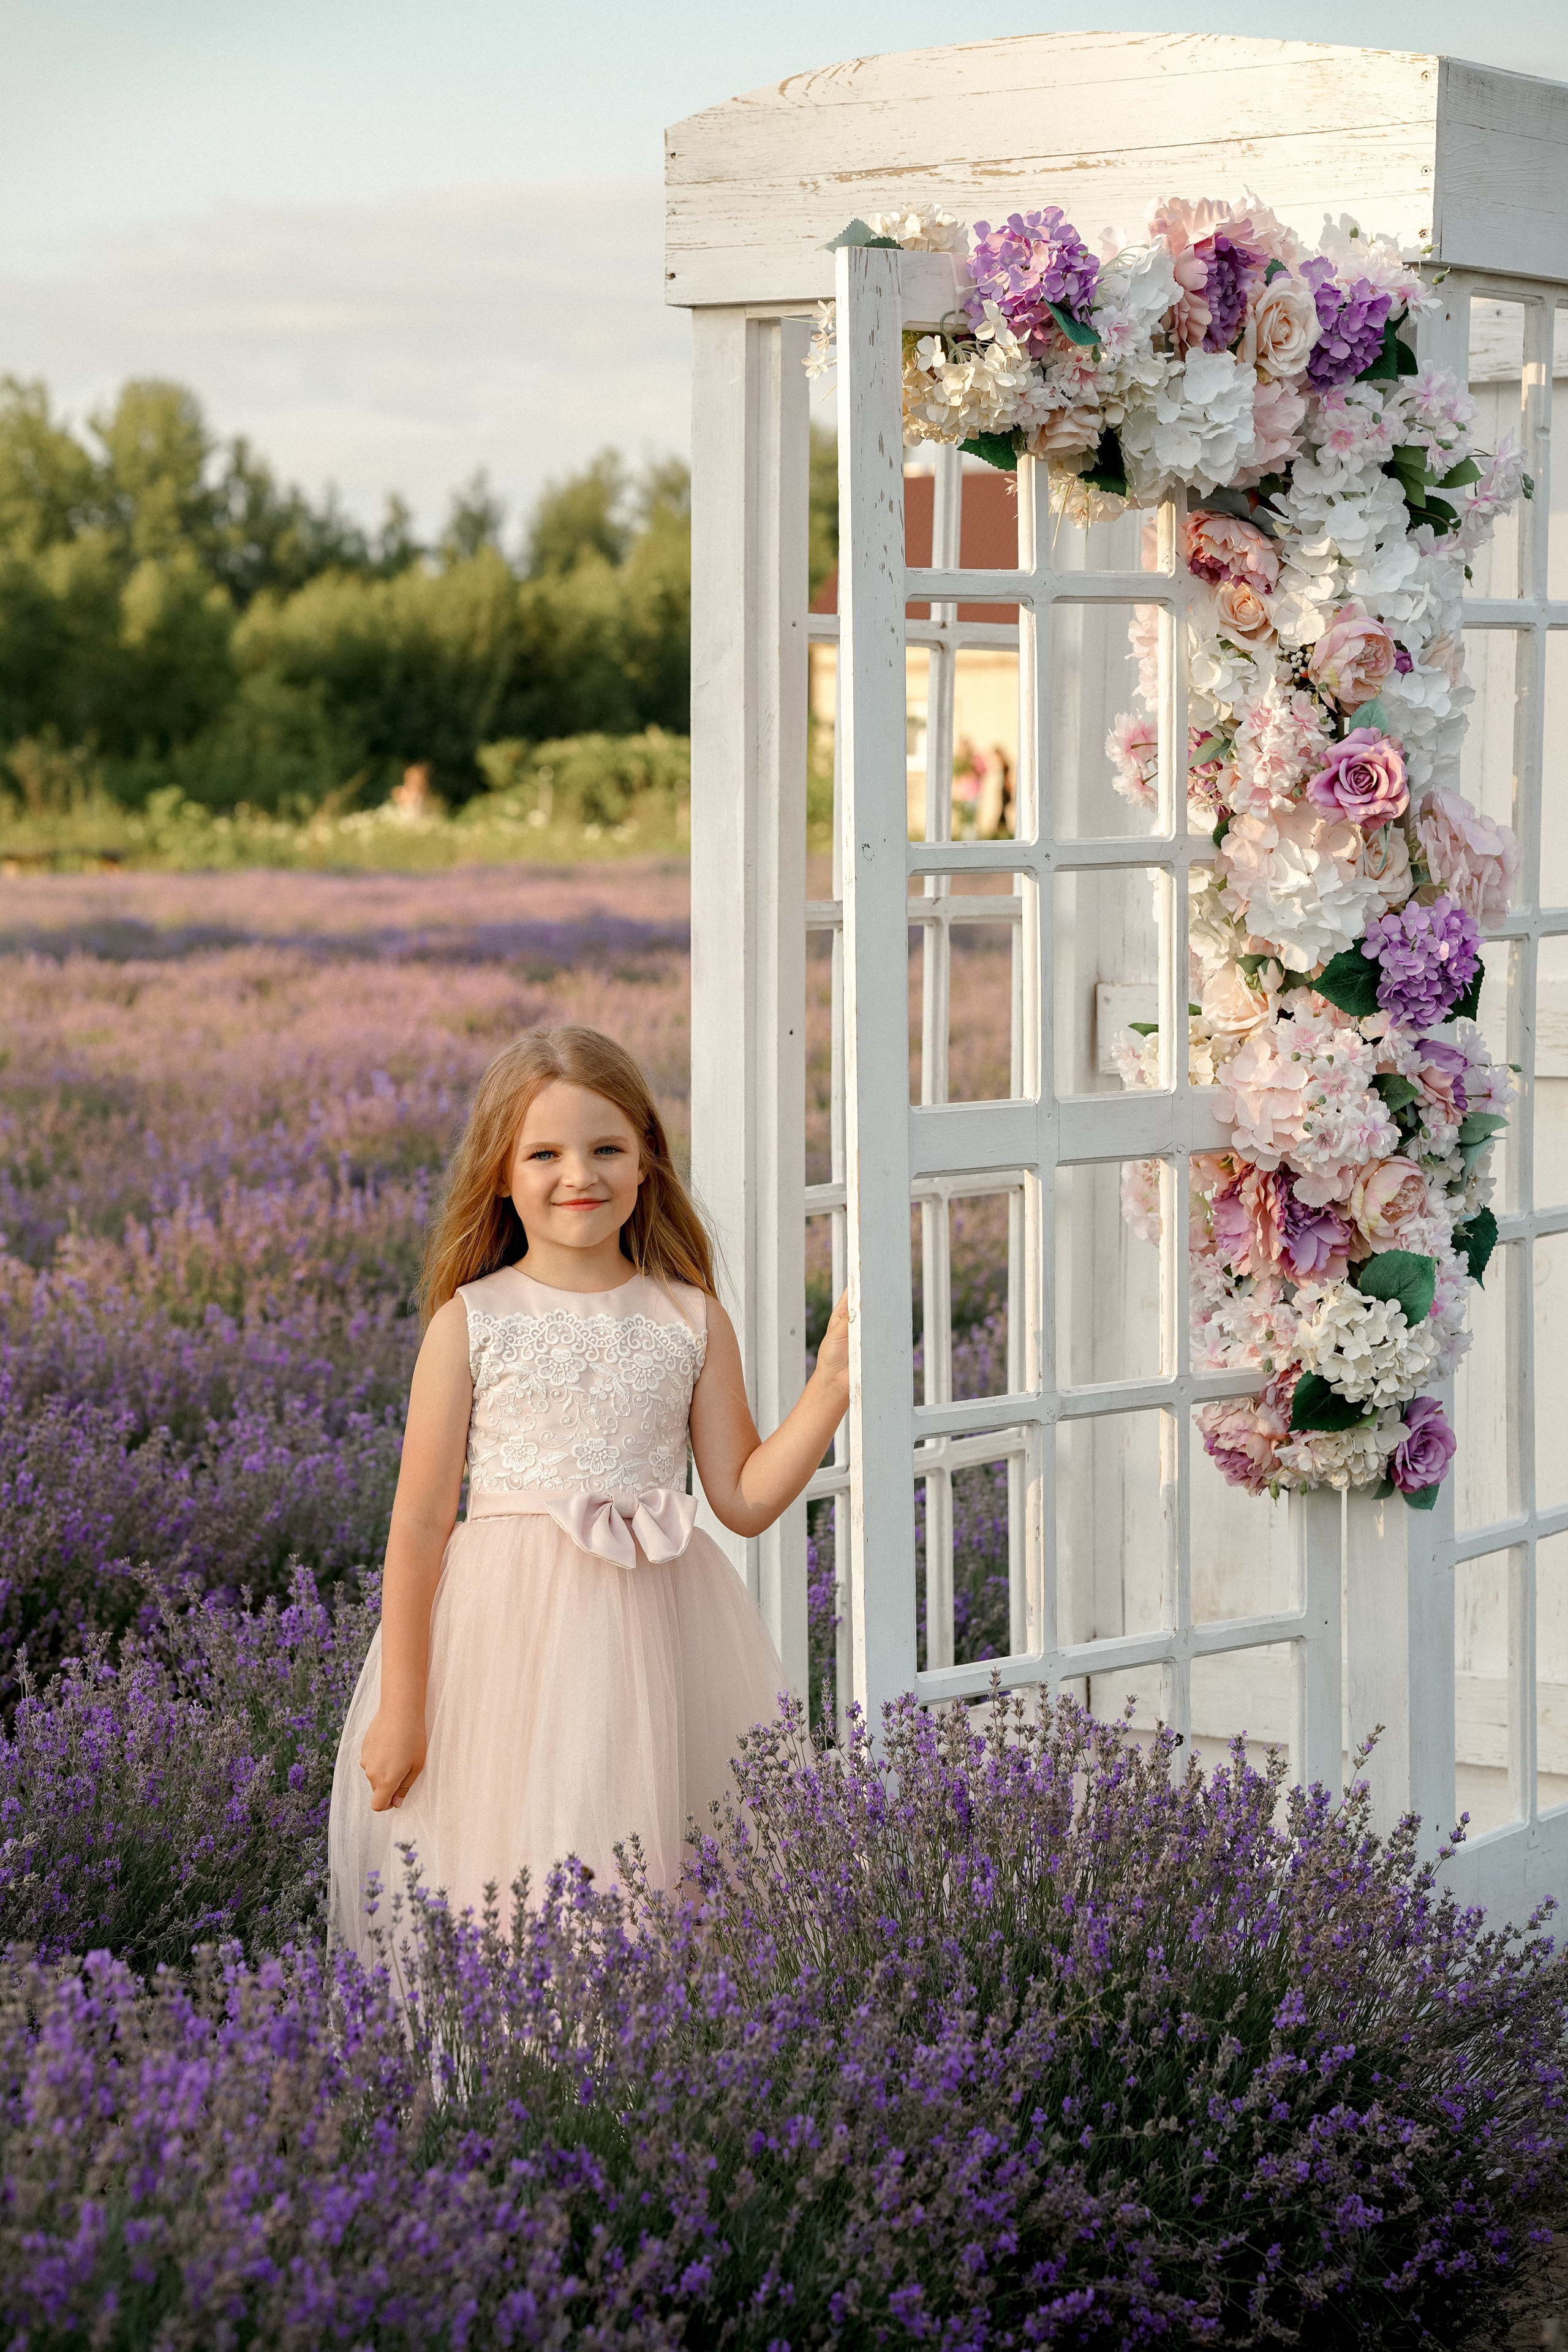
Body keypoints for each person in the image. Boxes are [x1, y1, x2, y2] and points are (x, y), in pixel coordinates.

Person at [328, 1023, 850, 1962]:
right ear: (500, 1174)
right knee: (511, 1857)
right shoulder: (473, 1323)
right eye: (546, 1153)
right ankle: (516, 2072)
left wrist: (830, 1391)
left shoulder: (688, 1317)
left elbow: (739, 1497)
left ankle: (642, 2075)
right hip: (505, 1643)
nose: (582, 1174)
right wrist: (403, 1701)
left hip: (661, 1627)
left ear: (648, 1159)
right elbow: (417, 1523)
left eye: (608, 1148)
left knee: (661, 1864)